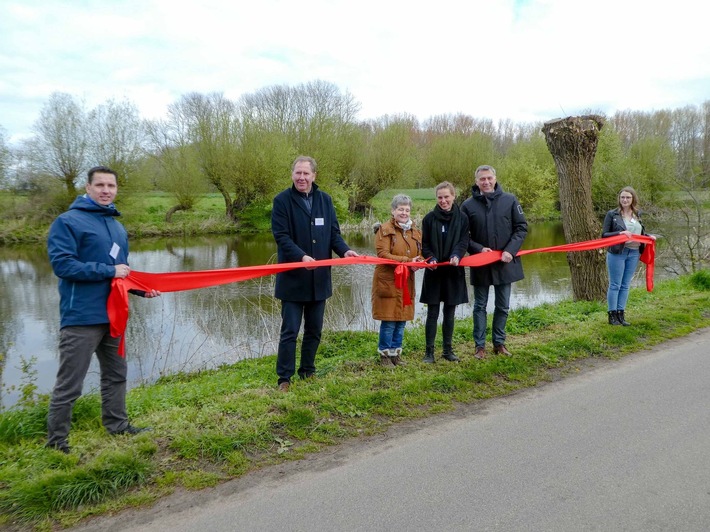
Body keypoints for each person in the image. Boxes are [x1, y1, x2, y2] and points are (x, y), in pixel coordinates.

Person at [46, 166, 160, 454]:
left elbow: (123, 275)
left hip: (114, 316)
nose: (106, 190)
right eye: (100, 185)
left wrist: (141, 289)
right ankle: (56, 442)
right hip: (81, 317)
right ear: (88, 187)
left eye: (111, 185)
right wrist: (108, 269)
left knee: (116, 374)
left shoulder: (117, 226)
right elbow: (63, 266)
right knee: (70, 383)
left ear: (117, 189)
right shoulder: (67, 221)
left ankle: (117, 425)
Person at [272, 156, 359, 392]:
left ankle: (308, 371)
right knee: (290, 331)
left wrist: (345, 251)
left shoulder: (325, 200)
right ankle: (284, 378)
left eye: (306, 174)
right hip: (292, 280)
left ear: (314, 176)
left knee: (314, 330)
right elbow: (282, 237)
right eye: (298, 173)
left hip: (319, 280)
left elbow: (333, 234)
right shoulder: (282, 201)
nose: (302, 178)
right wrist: (301, 257)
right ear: (292, 175)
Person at [461, 165, 527, 360]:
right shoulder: (467, 205)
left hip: (505, 263)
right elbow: (463, 236)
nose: (486, 182)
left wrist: (510, 250)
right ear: (476, 181)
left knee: (503, 306)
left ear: (495, 178)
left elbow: (521, 228)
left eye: (489, 178)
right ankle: (479, 347)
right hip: (481, 263)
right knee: (479, 306)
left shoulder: (510, 200)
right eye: (482, 179)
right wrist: (479, 249)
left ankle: (499, 343)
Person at [419, 182, 470, 363]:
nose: (443, 201)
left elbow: (464, 241)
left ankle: (447, 350)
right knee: (432, 313)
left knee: (450, 312)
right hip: (434, 272)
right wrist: (430, 258)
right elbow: (424, 245)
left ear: (453, 196)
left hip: (453, 271)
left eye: (446, 197)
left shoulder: (463, 218)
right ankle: (429, 353)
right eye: (440, 197)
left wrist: (457, 254)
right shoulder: (429, 219)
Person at [372, 194, 424, 367]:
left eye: (407, 210)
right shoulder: (384, 229)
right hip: (388, 281)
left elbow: (419, 253)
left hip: (407, 281)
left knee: (401, 319)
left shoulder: (415, 231)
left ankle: (396, 354)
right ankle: (384, 356)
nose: (404, 212)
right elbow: (383, 254)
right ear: (393, 211)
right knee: (389, 320)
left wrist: (419, 263)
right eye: (400, 209)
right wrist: (408, 261)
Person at [601, 186, 655, 326]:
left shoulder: (638, 214)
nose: (625, 200)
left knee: (625, 285)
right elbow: (604, 235)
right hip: (618, 253)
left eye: (628, 197)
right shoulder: (612, 215)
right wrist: (620, 234)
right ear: (619, 199)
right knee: (615, 284)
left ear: (633, 199)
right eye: (622, 197)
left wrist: (649, 237)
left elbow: (641, 233)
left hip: (634, 253)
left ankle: (621, 314)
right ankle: (612, 315)